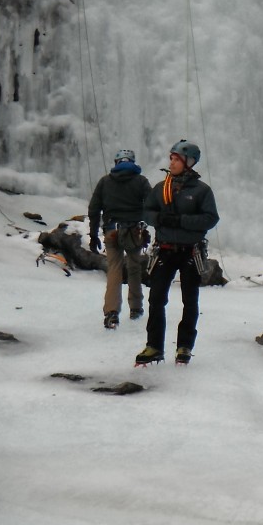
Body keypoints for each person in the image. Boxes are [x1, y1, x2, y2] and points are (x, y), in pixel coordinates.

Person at [135, 139, 219, 367]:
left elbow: (211, 218)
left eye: (176, 159)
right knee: (156, 299)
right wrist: (159, 219)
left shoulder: (202, 191)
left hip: (190, 252)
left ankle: (184, 346)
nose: (171, 162)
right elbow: (147, 211)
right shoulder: (162, 188)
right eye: (171, 158)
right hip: (165, 250)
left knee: (189, 301)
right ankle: (154, 346)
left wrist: (181, 220)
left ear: (188, 163)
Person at [88, 149, 152, 329]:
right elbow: (152, 205)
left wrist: (93, 235)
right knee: (134, 267)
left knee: (114, 269)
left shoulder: (105, 181)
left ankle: (111, 313)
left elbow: (94, 209)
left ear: (116, 163)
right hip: (133, 231)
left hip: (112, 230)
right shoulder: (141, 181)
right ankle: (136, 308)